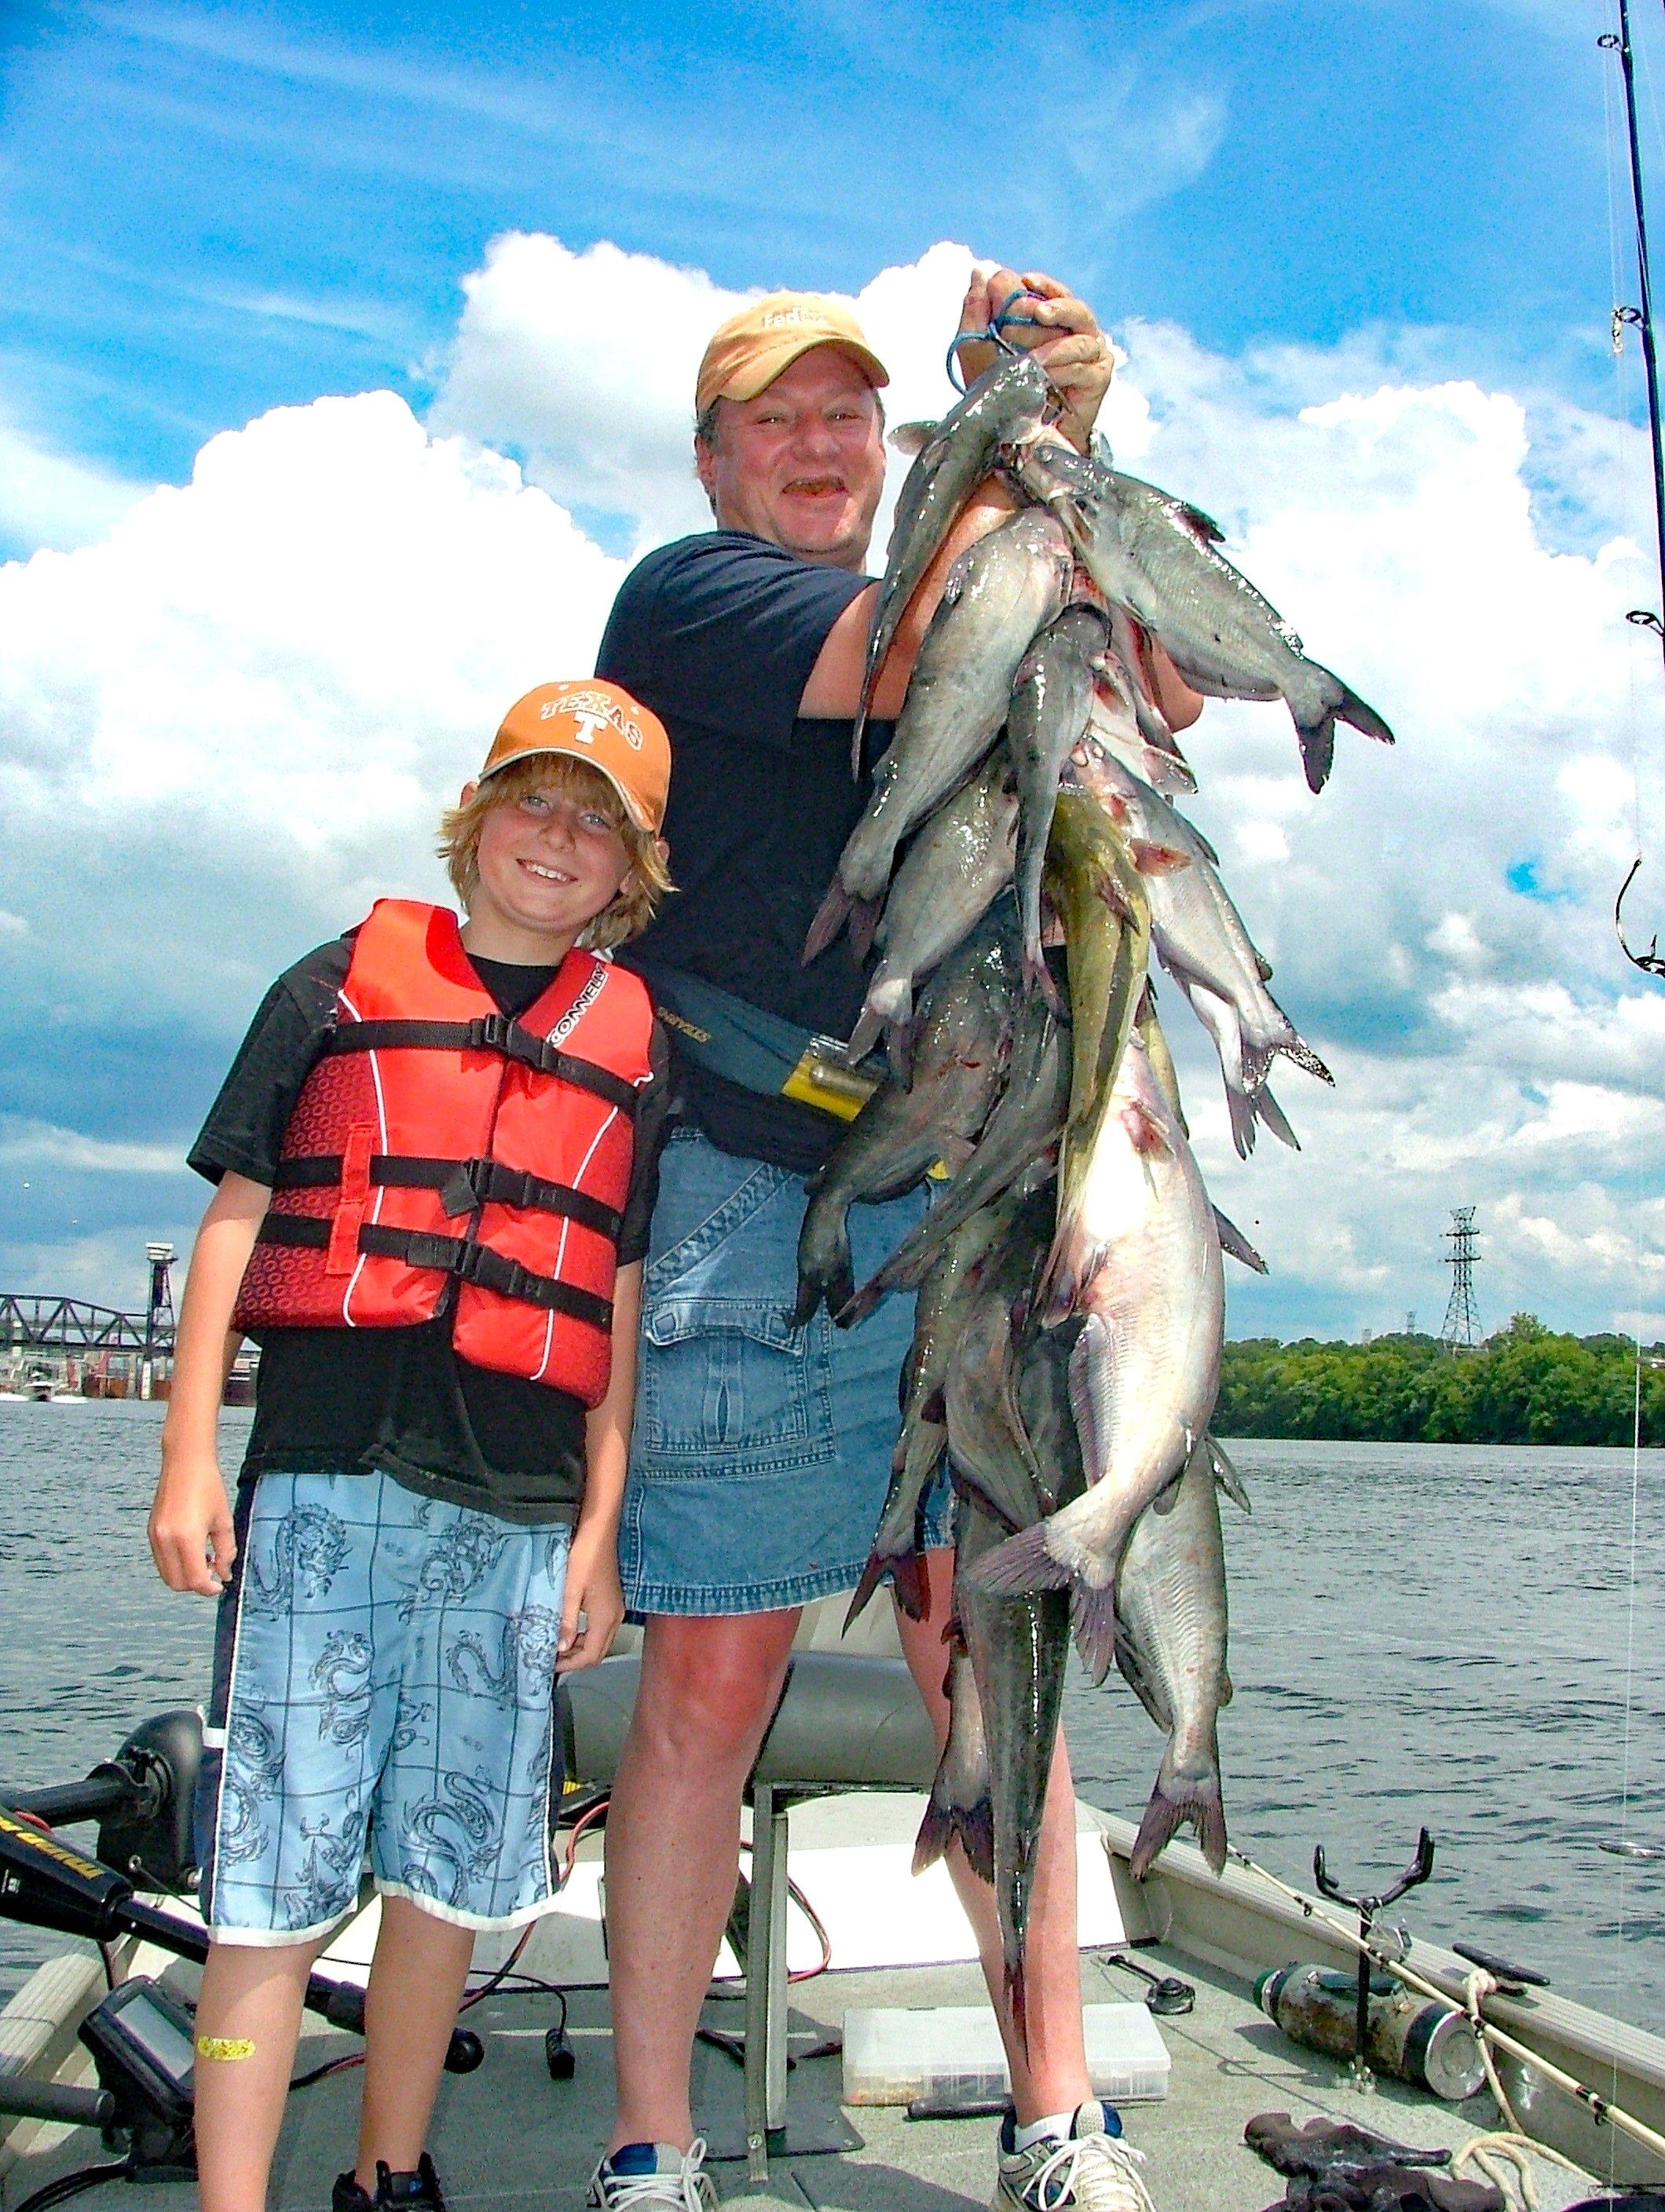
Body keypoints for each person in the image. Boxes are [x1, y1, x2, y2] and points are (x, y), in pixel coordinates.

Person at [590, 269, 1202, 2212]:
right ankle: (652, 2149)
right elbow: (953, 634)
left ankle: (1059, 2116)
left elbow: (1154, 677)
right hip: (762, 1205)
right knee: (711, 1678)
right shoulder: (691, 604)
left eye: (852, 416)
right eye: (778, 418)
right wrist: (1038, 450)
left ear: (885, 443)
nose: (821, 444)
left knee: (991, 1657)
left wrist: (1068, 437)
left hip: (997, 1199)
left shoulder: (962, 551)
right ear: (714, 458)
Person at [145, 679, 675, 2212]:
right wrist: (189, 1455)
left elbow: (618, 1304)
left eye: (596, 821)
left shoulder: (633, 1045)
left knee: (446, 1868)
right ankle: (233, 2192)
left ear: (631, 871)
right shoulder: (330, 984)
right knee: (273, 1874)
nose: (556, 839)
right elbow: (237, 1213)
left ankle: (391, 2172)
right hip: (325, 1483)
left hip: (516, 1511)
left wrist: (600, 1528)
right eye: (534, 799)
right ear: (474, 816)